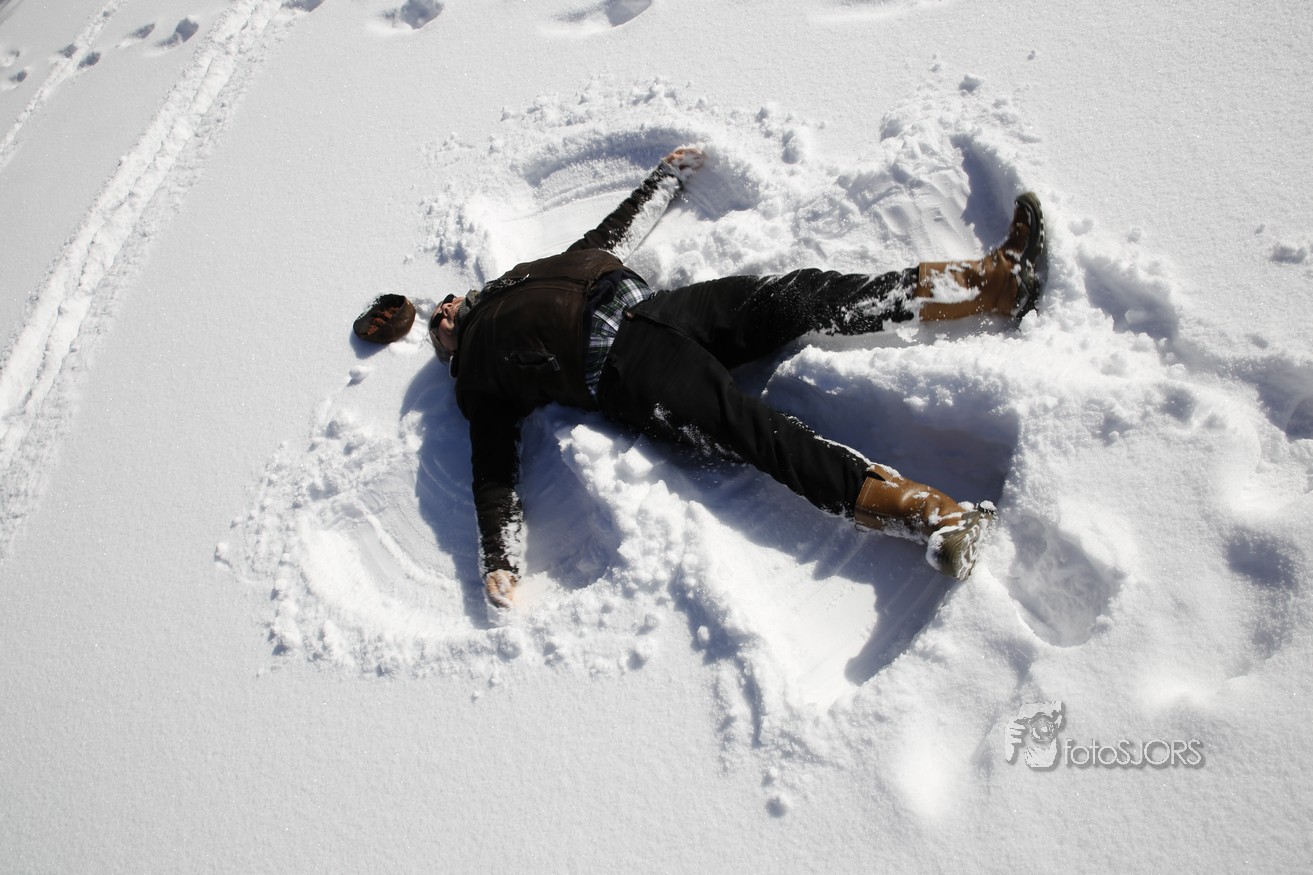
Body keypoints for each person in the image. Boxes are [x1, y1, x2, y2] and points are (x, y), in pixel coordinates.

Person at [428, 146, 1045, 609]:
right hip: (626, 369)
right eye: (437, 323)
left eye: (446, 302)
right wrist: (499, 555)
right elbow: (492, 470)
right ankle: (931, 518)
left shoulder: (526, 274)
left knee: (802, 295)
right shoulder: (475, 376)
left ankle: (992, 284)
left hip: (666, 309)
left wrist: (663, 180)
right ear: (445, 348)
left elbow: (609, 235)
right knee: (758, 431)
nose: (445, 310)